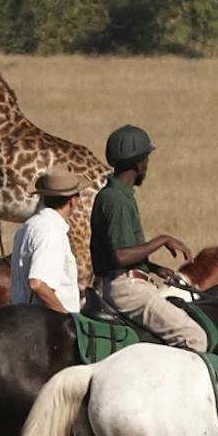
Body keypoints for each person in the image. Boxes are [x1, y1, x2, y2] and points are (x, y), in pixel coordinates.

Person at [89, 125, 208, 353]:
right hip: (128, 290)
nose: (147, 166)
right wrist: (162, 239)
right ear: (138, 164)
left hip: (124, 282)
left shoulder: (115, 194)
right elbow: (120, 255)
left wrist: (151, 267)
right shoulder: (117, 200)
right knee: (195, 337)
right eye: (146, 160)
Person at [10, 165, 82, 312]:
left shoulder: (28, 226)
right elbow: (38, 283)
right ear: (73, 201)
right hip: (47, 326)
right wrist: (66, 316)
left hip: (22, 316)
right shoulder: (51, 232)